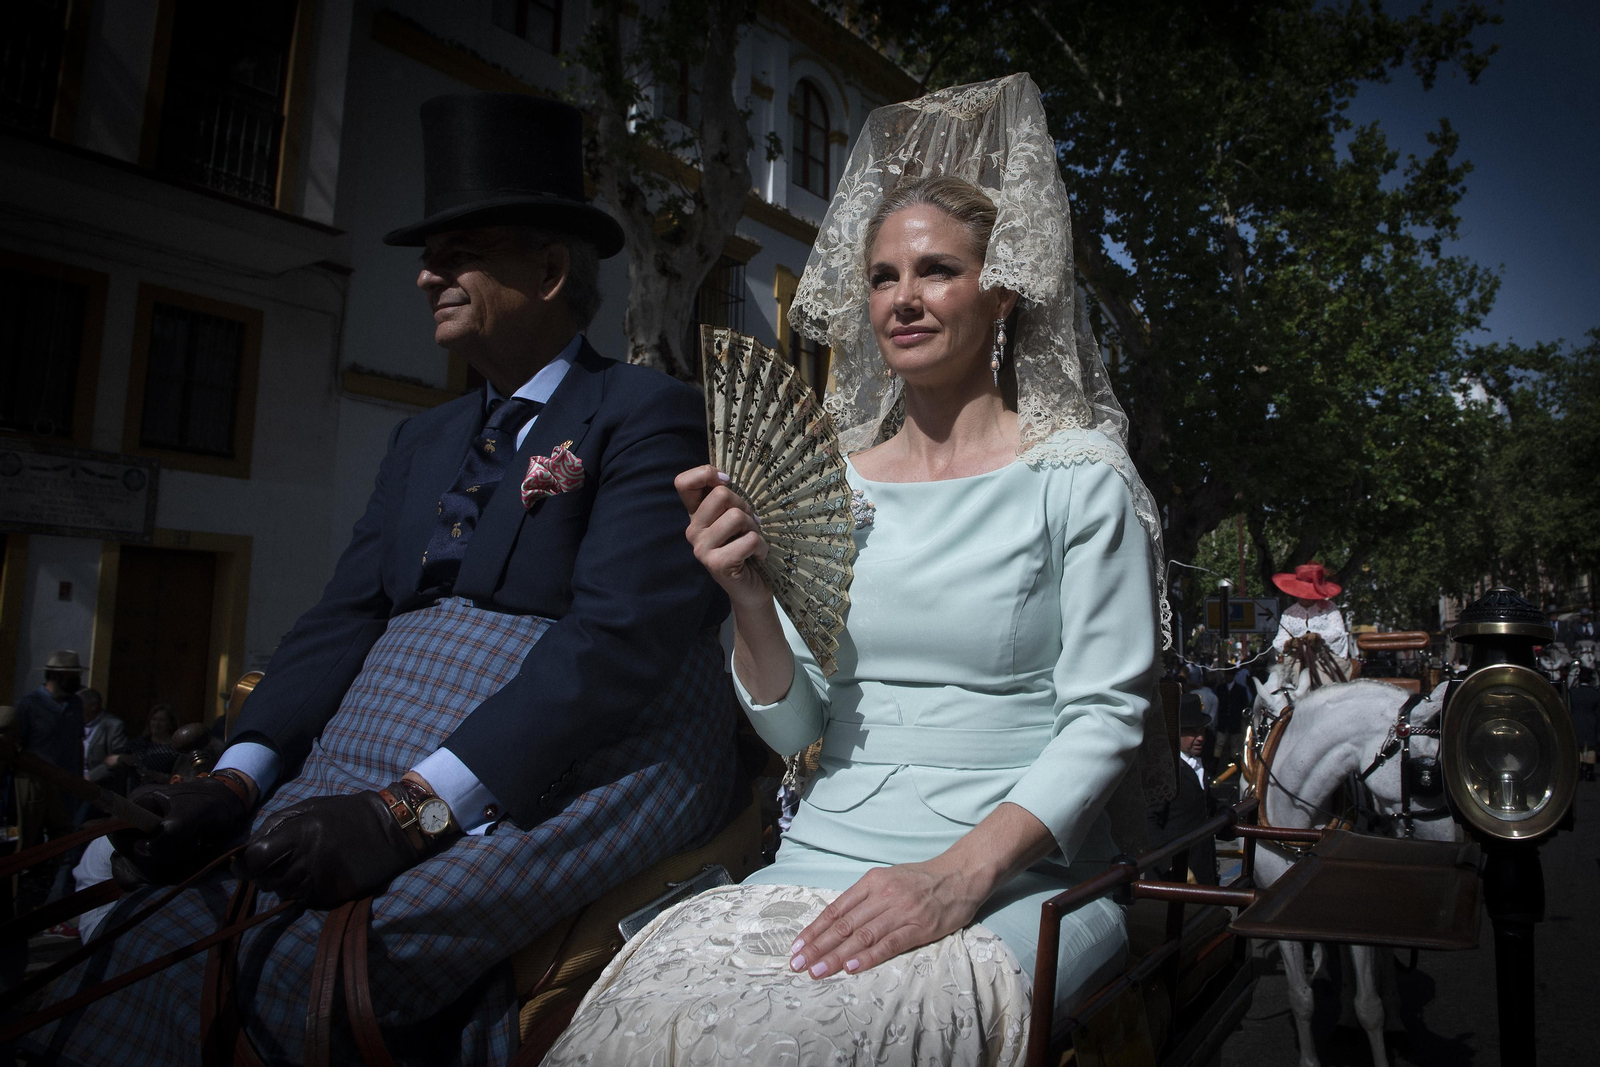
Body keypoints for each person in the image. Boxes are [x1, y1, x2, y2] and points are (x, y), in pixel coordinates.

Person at [29, 93, 739, 1066]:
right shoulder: (424, 436)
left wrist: (411, 809)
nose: (424, 275)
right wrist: (235, 779)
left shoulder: (643, 410)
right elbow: (344, 614)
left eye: (458, 252)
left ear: (548, 268)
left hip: (570, 761)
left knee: (299, 964)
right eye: (426, 255)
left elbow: (621, 635)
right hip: (373, 747)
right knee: (157, 916)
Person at [547, 74, 1169, 1062]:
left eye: (936, 271)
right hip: (816, 857)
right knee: (636, 1028)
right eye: (882, 276)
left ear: (998, 291)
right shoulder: (836, 486)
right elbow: (796, 726)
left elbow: (1103, 719)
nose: (902, 299)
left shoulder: (1078, 480)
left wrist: (954, 879)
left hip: (1016, 879)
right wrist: (747, 594)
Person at [1148, 696, 1217, 885]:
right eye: (1192, 732)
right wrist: (1171, 865)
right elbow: (1149, 823)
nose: (1200, 738)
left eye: (1202, 731)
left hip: (1203, 867)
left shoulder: (1198, 763)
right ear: (1175, 733)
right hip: (1175, 877)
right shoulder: (1163, 769)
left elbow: (1206, 808)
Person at [1271, 562, 1349, 664]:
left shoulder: (1330, 608)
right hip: (1297, 659)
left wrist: (1318, 636)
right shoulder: (1289, 613)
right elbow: (1279, 640)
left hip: (1327, 658)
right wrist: (1289, 643)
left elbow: (1339, 632)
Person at [79, 689, 131, 799]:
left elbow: (117, 761)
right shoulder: (75, 723)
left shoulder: (114, 726)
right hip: (72, 782)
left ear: (93, 706)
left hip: (98, 788)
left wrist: (89, 777)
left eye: (80, 704)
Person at [1571, 667, 1599, 782]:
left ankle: (1580, 770)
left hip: (1576, 719)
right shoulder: (1595, 694)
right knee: (1591, 747)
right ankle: (1589, 771)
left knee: (1578, 747)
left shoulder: (1573, 692)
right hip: (1591, 721)